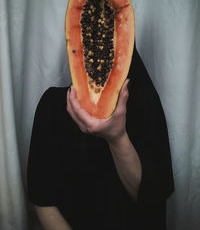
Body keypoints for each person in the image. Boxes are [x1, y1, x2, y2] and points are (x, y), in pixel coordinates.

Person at [27, 45, 174, 230]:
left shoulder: (146, 102)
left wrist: (117, 138)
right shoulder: (52, 105)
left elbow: (151, 198)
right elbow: (43, 199)